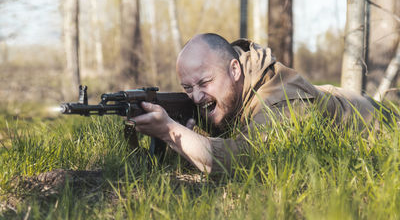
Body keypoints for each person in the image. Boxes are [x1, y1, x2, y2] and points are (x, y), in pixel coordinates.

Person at [129, 33, 382, 174]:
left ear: (235, 70)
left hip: (380, 120)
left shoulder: (283, 99)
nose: (195, 97)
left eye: (204, 83)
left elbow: (245, 160)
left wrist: (170, 131)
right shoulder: (230, 93)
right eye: (187, 88)